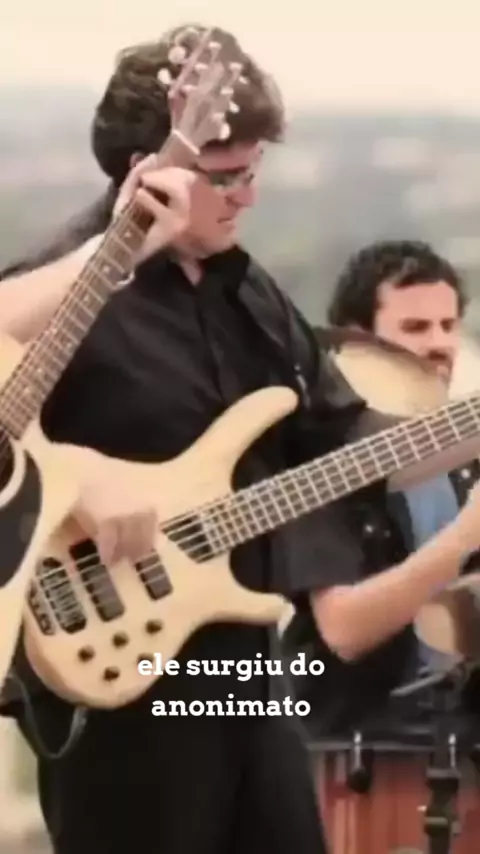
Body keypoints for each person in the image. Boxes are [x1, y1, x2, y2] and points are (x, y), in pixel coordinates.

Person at [2, 29, 480, 854]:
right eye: (224, 178)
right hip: (113, 670)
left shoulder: (248, 291)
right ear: (148, 172)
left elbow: (347, 444)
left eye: (253, 172)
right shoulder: (61, 289)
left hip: (242, 660)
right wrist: (82, 483)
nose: (247, 197)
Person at [281, 238, 480, 736]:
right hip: (360, 748)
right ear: (359, 342)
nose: (440, 343)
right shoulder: (321, 462)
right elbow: (344, 629)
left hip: (458, 737)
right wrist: (463, 538)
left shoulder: (468, 458)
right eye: (415, 327)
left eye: (449, 325)